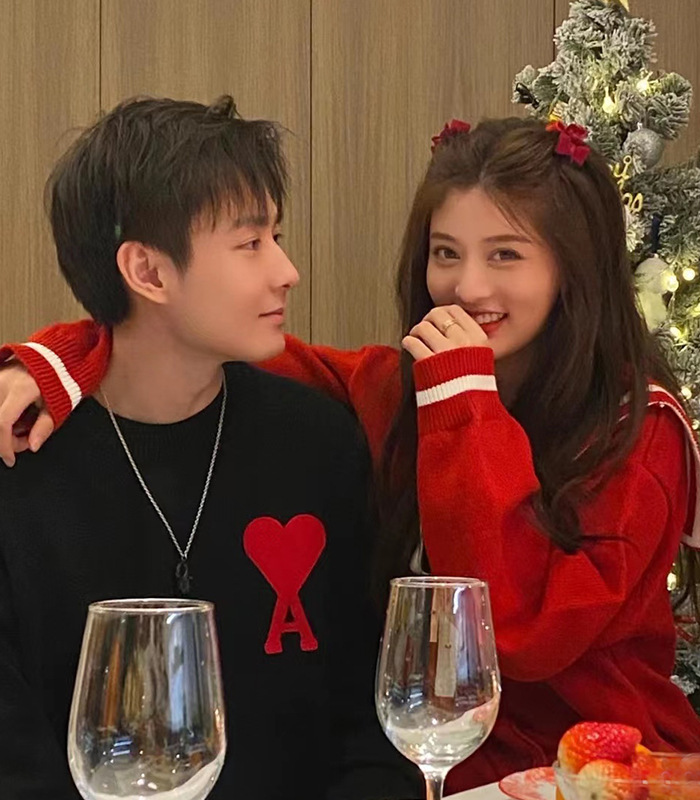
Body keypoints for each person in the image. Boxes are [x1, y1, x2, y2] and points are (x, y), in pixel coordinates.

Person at [0, 116, 700, 793]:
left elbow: (519, 632)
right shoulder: (397, 388)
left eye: (506, 254)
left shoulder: (640, 431)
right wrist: (57, 362)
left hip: (609, 774)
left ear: (574, 267)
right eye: (445, 253)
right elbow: (177, 343)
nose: (467, 287)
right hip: (448, 774)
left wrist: (463, 403)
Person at [0, 95, 419, 799]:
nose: (286, 270)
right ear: (148, 272)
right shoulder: (21, 464)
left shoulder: (318, 443)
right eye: (250, 243)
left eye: (276, 236)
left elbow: (374, 715)